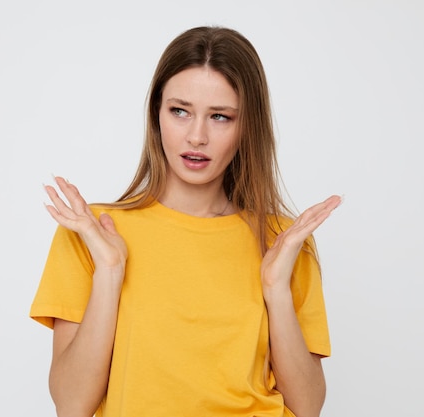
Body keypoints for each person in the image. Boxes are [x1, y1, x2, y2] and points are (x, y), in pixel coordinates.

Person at [30, 25, 341, 417]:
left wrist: (275, 287)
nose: (197, 136)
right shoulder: (91, 232)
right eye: (180, 111)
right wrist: (110, 272)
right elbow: (72, 406)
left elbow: (308, 407)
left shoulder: (284, 241)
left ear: (247, 126)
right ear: (156, 114)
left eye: (221, 117)